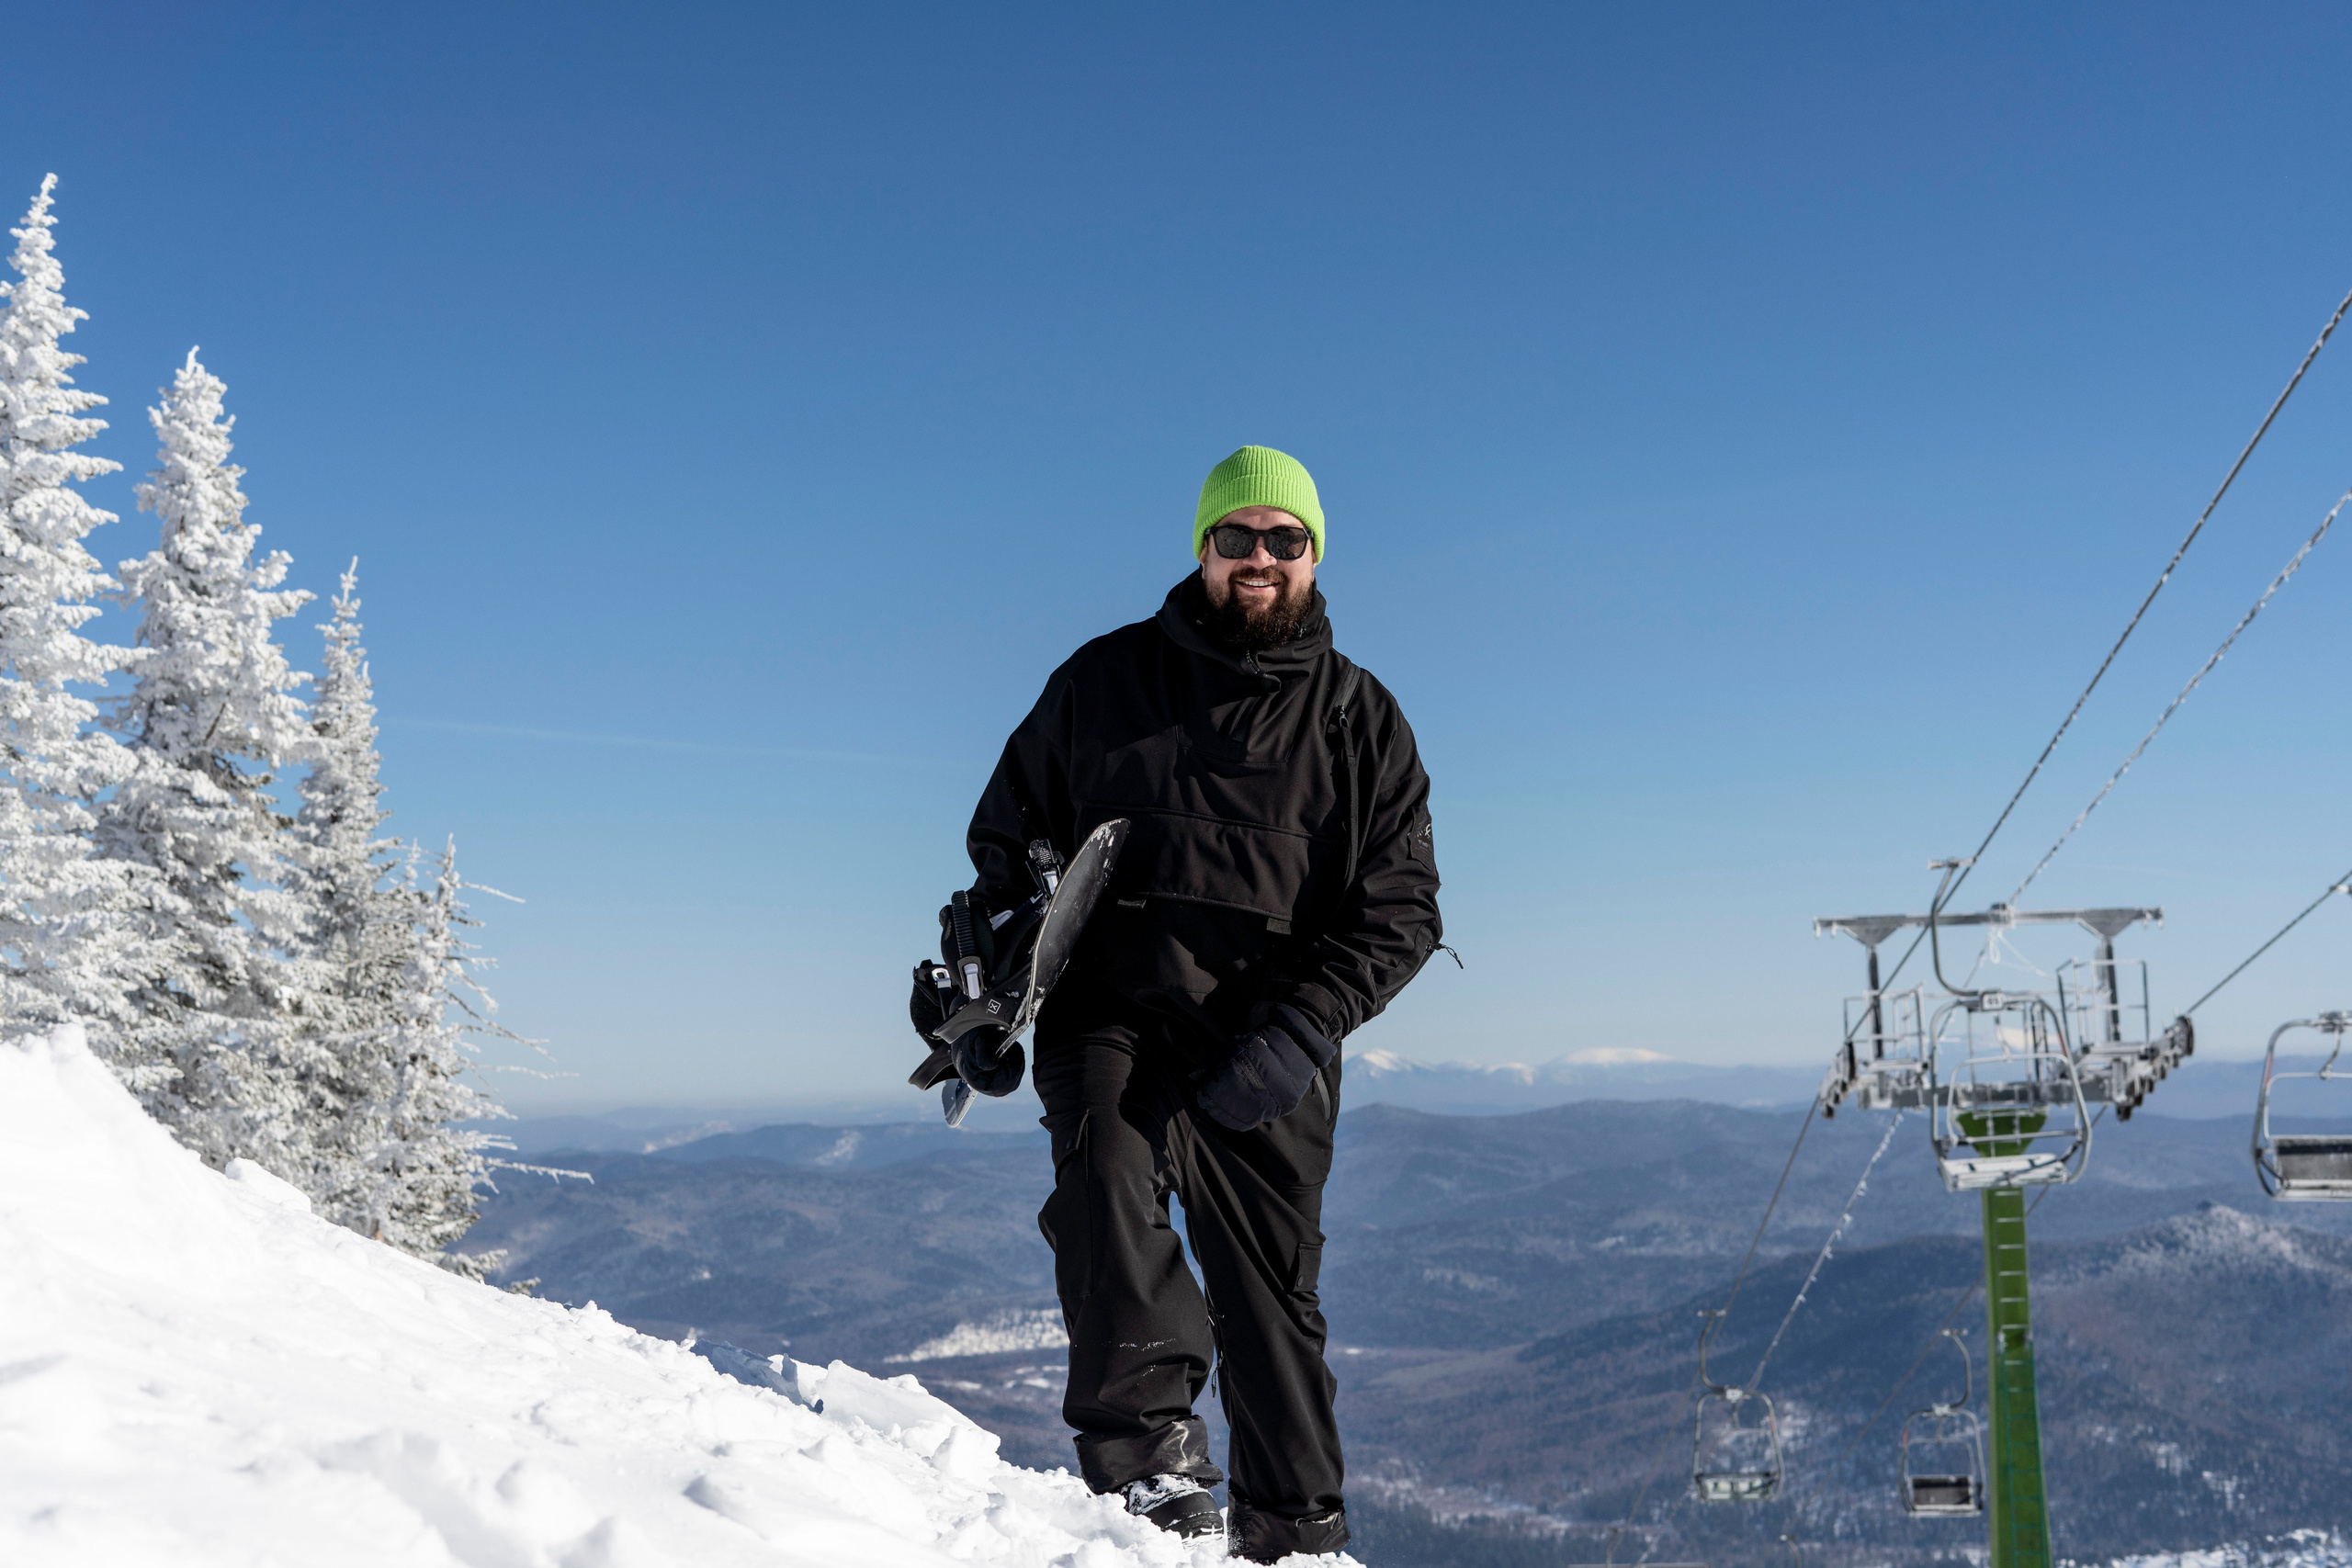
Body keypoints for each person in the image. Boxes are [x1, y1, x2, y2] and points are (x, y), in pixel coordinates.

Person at [921, 445, 1443, 1561]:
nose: (1259, 560)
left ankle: (1295, 1532)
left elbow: (1401, 911)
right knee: (1107, 1184)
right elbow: (1005, 854)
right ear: (1201, 549)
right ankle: (1148, 1460)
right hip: (1114, 1007)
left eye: (1283, 541)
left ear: (1314, 556)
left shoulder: (1360, 722)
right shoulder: (1101, 683)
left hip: (1270, 1034)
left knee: (1271, 1300)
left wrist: (1303, 1029)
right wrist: (980, 992)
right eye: (1235, 538)